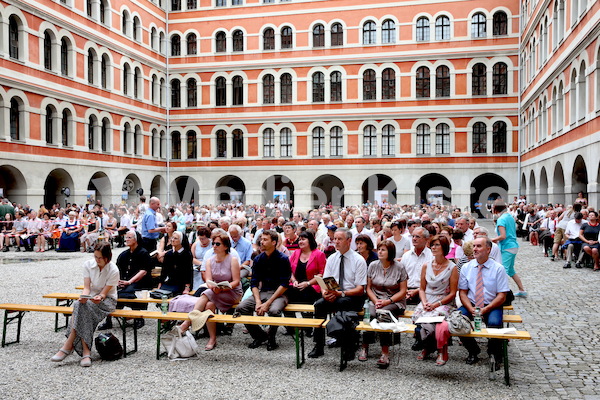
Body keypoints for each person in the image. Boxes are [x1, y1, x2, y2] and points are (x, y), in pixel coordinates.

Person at [50, 243, 119, 367]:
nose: (97, 260)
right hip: (91, 297)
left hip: (108, 300)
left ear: (107, 257)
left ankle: (69, 345)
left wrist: (99, 297)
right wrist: (84, 296)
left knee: (80, 307)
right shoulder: (88, 265)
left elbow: (104, 293)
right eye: (95, 257)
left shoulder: (113, 270)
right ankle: (85, 351)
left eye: (100, 258)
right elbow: (86, 288)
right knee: (80, 304)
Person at [178, 232, 242, 350]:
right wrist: (213, 286)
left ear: (226, 246)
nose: (214, 246)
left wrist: (223, 287)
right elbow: (208, 279)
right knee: (209, 304)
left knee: (206, 294)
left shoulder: (232, 260)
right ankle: (212, 338)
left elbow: (236, 281)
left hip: (232, 292)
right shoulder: (209, 261)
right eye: (213, 243)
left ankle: (187, 322)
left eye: (218, 244)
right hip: (215, 291)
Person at [309, 228, 367, 359]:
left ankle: (348, 346)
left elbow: (360, 289)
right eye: (335, 239)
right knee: (319, 305)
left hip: (352, 296)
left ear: (349, 241)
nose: (336, 242)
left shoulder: (358, 260)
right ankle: (318, 345)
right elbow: (325, 282)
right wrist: (325, 293)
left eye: (340, 239)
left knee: (343, 303)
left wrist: (340, 294)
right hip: (334, 294)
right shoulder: (331, 259)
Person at [458, 237, 510, 370]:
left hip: (491, 304)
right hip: (472, 304)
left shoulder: (498, 269)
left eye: (479, 246)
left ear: (488, 249)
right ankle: (473, 350)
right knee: (457, 322)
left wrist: (486, 309)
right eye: (474, 246)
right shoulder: (466, 267)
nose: (475, 249)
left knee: (494, 324)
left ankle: (494, 354)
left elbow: (502, 295)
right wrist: (470, 309)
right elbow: (462, 292)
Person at [237, 230, 291, 351]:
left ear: (274, 242)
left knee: (274, 310)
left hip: (280, 293)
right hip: (263, 291)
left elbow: (284, 284)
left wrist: (266, 303)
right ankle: (260, 336)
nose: (261, 242)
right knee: (242, 307)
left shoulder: (283, 259)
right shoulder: (258, 259)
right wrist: (258, 302)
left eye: (265, 239)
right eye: (261, 239)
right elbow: (254, 282)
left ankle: (271, 338)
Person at [359, 240, 408, 369]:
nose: (380, 252)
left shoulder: (399, 267)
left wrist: (387, 301)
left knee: (383, 315)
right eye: (379, 249)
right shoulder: (373, 265)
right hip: (375, 299)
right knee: (369, 315)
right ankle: (365, 346)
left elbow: (403, 291)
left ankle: (385, 352)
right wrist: (376, 301)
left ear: (390, 252)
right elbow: (368, 288)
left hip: (394, 300)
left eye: (383, 250)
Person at [411, 235, 458, 366]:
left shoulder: (452, 267)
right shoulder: (426, 266)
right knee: (421, 317)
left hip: (444, 300)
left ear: (444, 247)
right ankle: (429, 347)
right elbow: (421, 288)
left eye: (437, 245)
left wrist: (437, 304)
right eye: (432, 245)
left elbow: (453, 293)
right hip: (428, 299)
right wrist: (425, 302)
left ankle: (440, 350)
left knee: (436, 320)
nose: (434, 247)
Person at [98, 230, 153, 330]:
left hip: (141, 282)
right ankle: (108, 320)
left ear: (136, 239)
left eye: (129, 238)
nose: (126, 239)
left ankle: (138, 318)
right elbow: (117, 270)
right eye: (126, 238)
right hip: (125, 282)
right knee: (110, 292)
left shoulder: (143, 253)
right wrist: (117, 281)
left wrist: (129, 281)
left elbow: (144, 271)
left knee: (130, 292)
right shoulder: (124, 254)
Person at [491, 202, 527, 297]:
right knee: (511, 270)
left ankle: (503, 294)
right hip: (513, 245)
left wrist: (492, 240)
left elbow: (503, 236)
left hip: (506, 246)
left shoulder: (501, 219)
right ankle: (522, 290)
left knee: (503, 271)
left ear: (495, 209)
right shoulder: (509, 216)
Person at [287, 231, 326, 305]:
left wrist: (308, 283)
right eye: (299, 240)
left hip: (312, 286)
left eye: (303, 239)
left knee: (306, 293)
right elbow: (289, 270)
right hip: (296, 285)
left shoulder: (319, 254)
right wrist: (294, 280)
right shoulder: (296, 252)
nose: (300, 242)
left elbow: (321, 274)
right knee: (286, 294)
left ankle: (307, 315)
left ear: (310, 240)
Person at [399, 227, 433, 305]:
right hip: (405, 291)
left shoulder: (431, 256)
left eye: (417, 237)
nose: (414, 239)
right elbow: (400, 276)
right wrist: (405, 290)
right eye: (413, 236)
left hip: (425, 292)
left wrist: (417, 291)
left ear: (426, 239)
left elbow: (433, 280)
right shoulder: (406, 256)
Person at [158, 231, 193, 295]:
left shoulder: (187, 254)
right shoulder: (168, 254)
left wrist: (187, 288)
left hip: (182, 283)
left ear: (181, 241)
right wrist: (160, 284)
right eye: (172, 238)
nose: (172, 240)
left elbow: (188, 272)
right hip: (170, 282)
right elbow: (164, 270)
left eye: (175, 238)